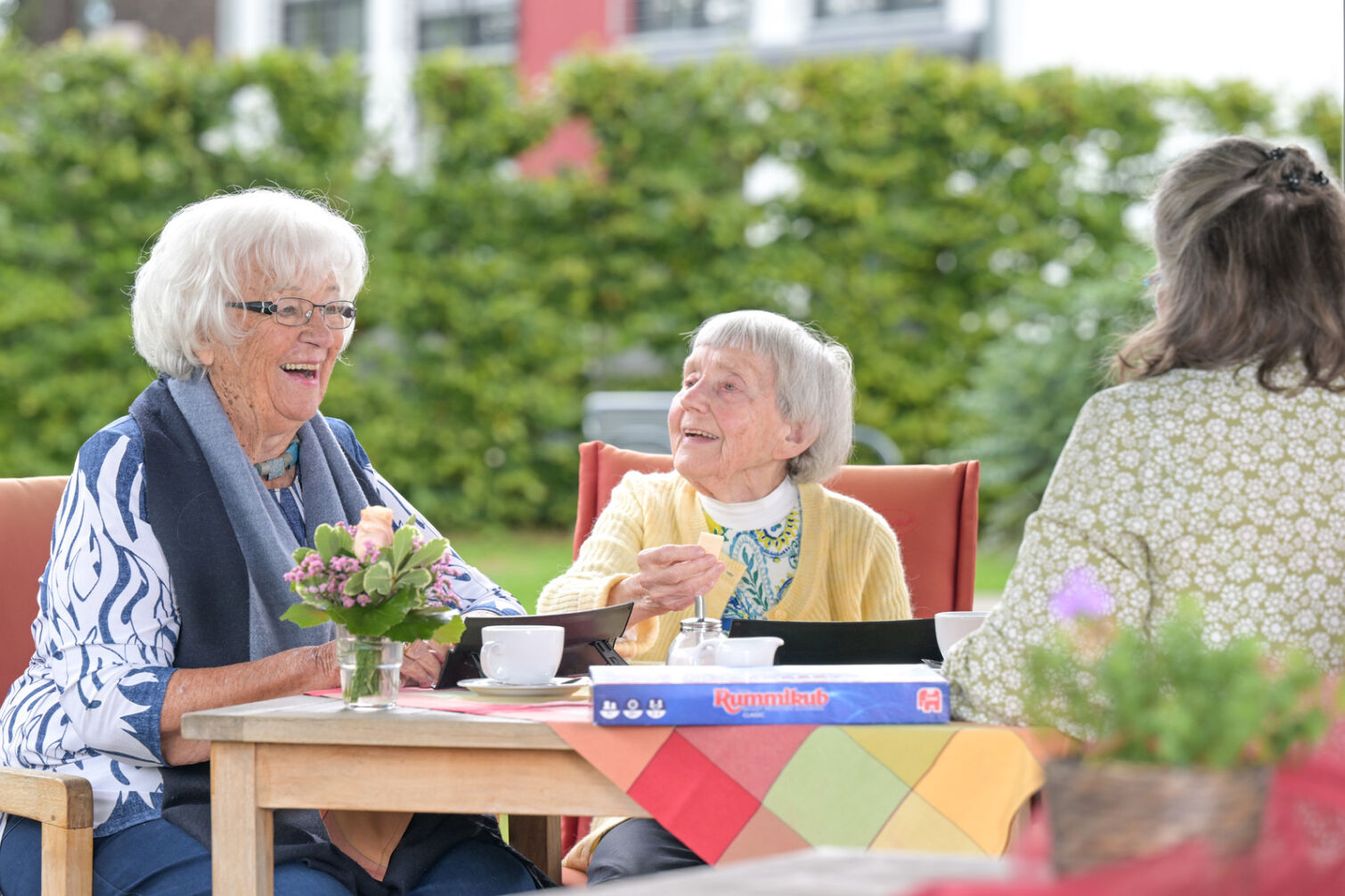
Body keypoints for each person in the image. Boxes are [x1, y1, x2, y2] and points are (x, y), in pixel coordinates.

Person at [0, 188, 544, 896]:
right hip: (142, 800)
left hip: (347, 791)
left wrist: (474, 639)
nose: (323, 333)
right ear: (203, 331)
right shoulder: (130, 463)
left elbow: (479, 605)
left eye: (336, 307)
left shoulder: (335, 454)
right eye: (287, 309)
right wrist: (328, 662)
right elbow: (108, 702)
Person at [944, 137, 1345, 725]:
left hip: (1206, 805)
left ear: (1184, 279)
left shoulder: (1136, 427)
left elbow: (1039, 674)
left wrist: (947, 671)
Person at [537, 308, 911, 881]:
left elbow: (904, 694)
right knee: (634, 874)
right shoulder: (644, 502)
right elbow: (554, 614)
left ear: (796, 431)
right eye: (690, 380)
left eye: (728, 385)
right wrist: (637, 594)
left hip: (820, 810)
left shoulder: (860, 537)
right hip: (659, 804)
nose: (692, 400)